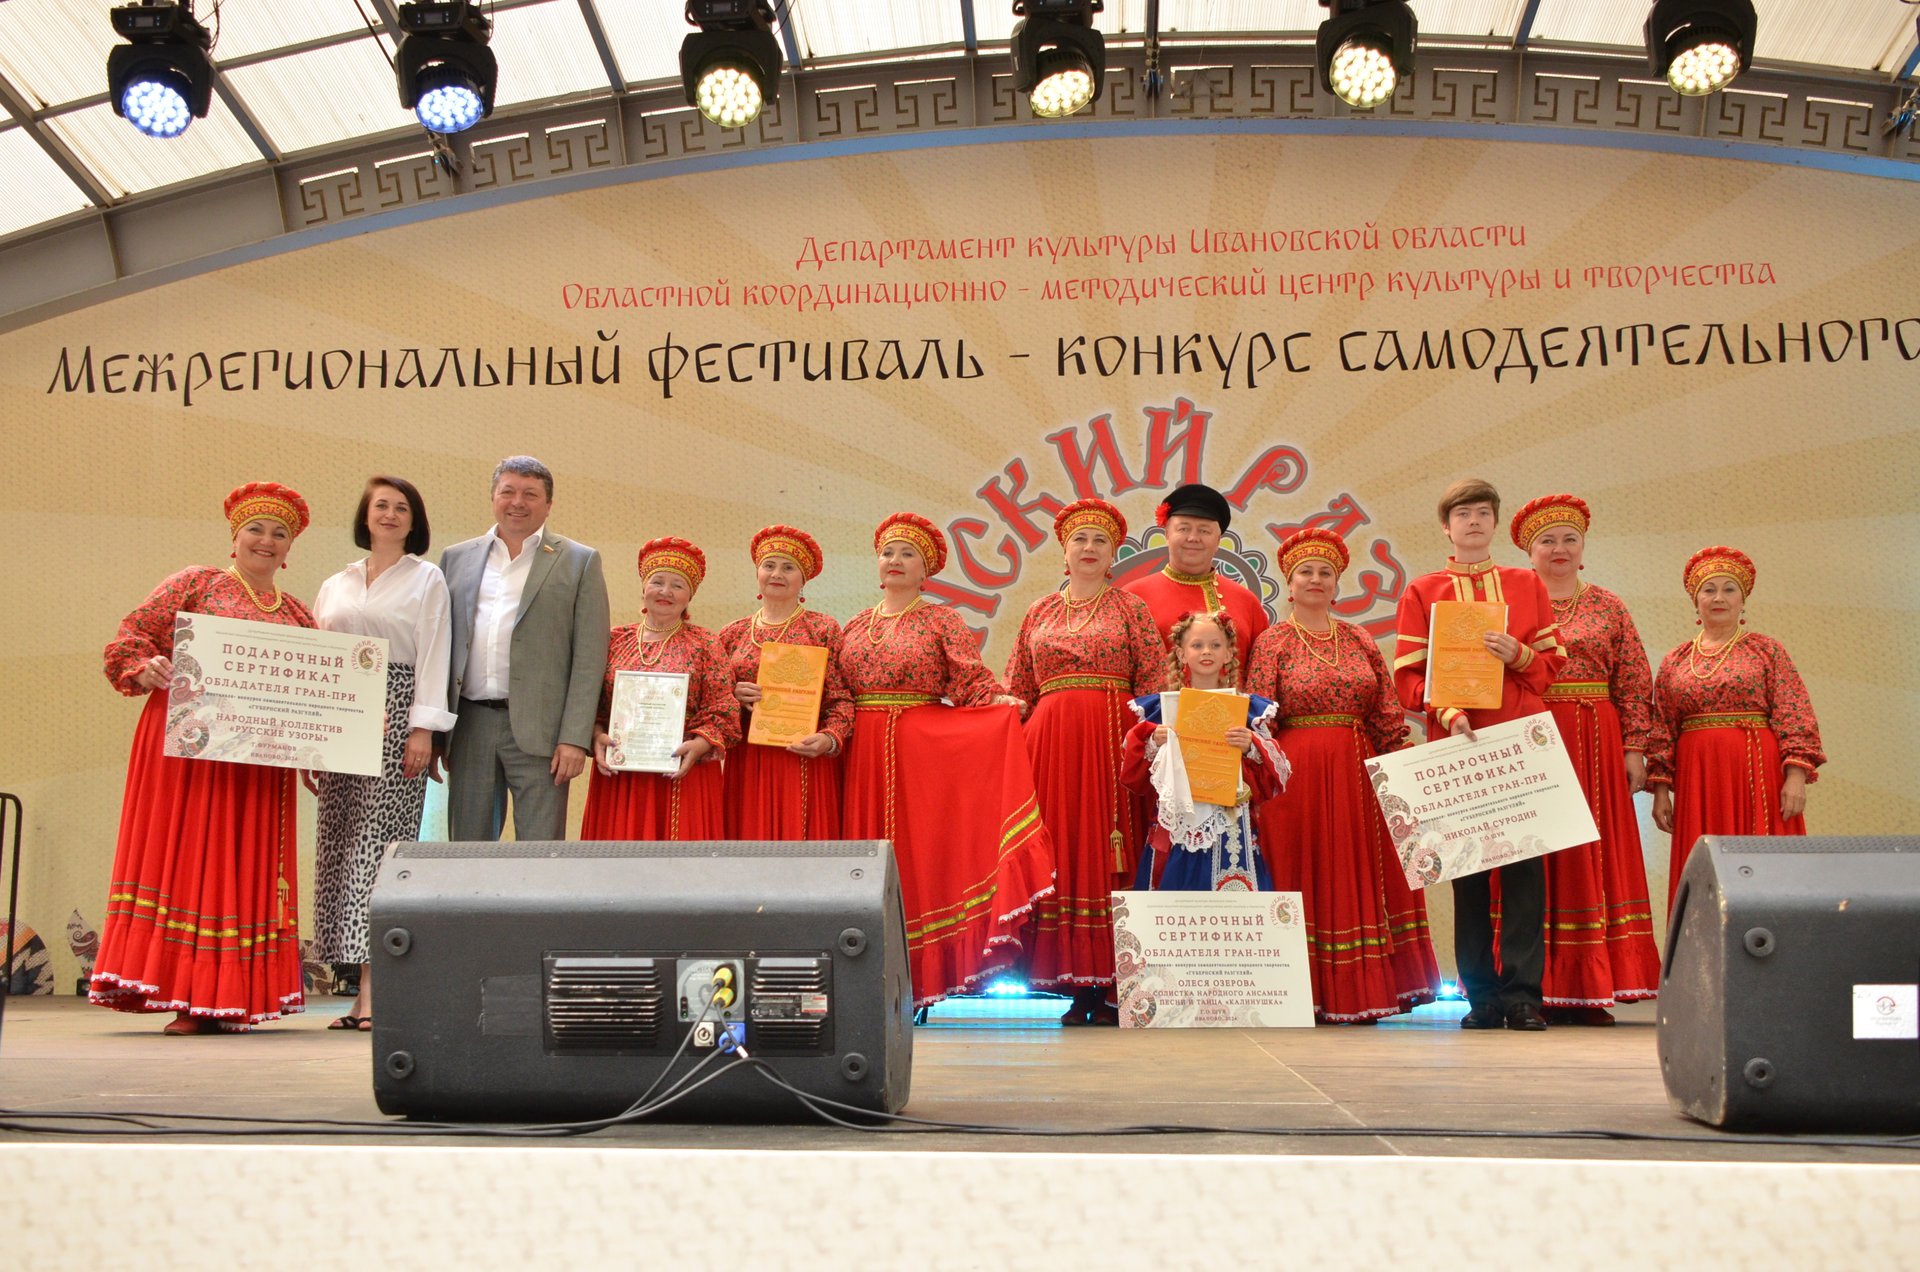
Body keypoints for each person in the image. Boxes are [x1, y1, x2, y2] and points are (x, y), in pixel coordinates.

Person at [92, 482, 315, 1034]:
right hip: (189, 753)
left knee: (243, 864)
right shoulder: (196, 583)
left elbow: (315, 698)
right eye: (255, 529)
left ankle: (232, 996)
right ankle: (185, 996)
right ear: (235, 538)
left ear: (289, 550)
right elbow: (130, 638)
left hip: (257, 765)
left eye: (279, 534)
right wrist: (146, 667)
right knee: (193, 856)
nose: (266, 541)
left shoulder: (298, 615)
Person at [837, 513, 1056, 1010]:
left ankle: (918, 981)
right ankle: (865, 976)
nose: (895, 561)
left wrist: (999, 704)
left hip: (920, 757)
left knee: (918, 860)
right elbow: (835, 693)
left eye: (907, 554)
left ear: (926, 570)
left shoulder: (942, 620)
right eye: (888, 552)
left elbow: (969, 681)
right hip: (860, 756)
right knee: (862, 860)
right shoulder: (854, 625)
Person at [1393, 478, 1566, 1032]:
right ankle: (1482, 997)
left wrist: (1519, 654)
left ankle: (1523, 996)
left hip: (1517, 743)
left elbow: (1550, 668)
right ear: (1447, 527)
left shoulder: (1526, 583)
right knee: (1467, 875)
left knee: (1525, 873)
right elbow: (1406, 678)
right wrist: (1446, 712)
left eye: (1483, 513)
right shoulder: (1423, 591)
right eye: (1463, 514)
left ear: (1494, 524)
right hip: (1457, 744)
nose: (1473, 522)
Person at [1247, 528, 1440, 1023]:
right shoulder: (1272, 642)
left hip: (1358, 775)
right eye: (1305, 572)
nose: (1315, 579)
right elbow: (1260, 718)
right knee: (1302, 870)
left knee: (1357, 871)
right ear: (1289, 585)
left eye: (1325, 573)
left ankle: (1361, 994)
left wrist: (1402, 768)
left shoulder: (1358, 638)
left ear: (1336, 586)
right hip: (1296, 779)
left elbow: (1385, 712)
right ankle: (1304, 994)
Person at [1004, 499, 1165, 1025]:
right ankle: (1074, 983)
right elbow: (1018, 689)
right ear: (1065, 551)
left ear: (1114, 554)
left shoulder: (1131, 609)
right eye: (1080, 539)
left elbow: (1153, 686)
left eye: (1100, 541)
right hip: (1049, 747)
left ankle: (1117, 985)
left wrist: (1150, 744)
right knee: (1061, 849)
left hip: (1112, 744)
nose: (1089, 548)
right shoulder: (1039, 612)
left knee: (1110, 849)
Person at [305, 476, 455, 1032]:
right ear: (365, 516)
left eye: (401, 508)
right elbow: (318, 657)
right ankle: (356, 992)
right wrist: (311, 738)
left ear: (414, 521)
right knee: (339, 850)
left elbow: (435, 654)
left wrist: (424, 730)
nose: (390, 514)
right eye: (381, 506)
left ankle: (377, 992)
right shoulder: (335, 583)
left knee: (379, 852)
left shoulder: (427, 578)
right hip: (340, 720)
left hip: (398, 716)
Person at [1512, 495, 1661, 1024]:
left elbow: (1635, 680)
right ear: (1529, 552)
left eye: (1569, 539)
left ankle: (1591, 987)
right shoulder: (1512, 603)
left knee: (1590, 853)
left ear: (1582, 548)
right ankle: (1528, 987)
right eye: (1547, 541)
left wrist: (1635, 747)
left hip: (1596, 741)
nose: (1559, 549)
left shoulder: (1608, 605)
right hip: (1530, 736)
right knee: (1531, 858)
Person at [440, 456, 609, 841]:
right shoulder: (456, 558)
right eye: (508, 492)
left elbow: (589, 659)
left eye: (530, 494)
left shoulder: (579, 561)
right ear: (493, 497)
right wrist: (435, 733)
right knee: (467, 850)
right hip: (469, 726)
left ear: (548, 504)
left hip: (544, 734)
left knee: (540, 852)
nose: (518, 502)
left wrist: (574, 737)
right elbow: (440, 647)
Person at [1648, 547, 1823, 902]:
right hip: (1698, 778)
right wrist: (1662, 791)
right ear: (1695, 601)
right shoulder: (1675, 660)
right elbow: (1662, 727)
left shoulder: (1766, 650)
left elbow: (1794, 712)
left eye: (1729, 589)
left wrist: (1795, 776)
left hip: (1757, 773)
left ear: (1742, 601)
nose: (1719, 598)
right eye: (1709, 590)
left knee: (1766, 866)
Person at [1121, 612, 1288, 891]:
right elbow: (1133, 773)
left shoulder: (1247, 709)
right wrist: (1155, 742)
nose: (1206, 651)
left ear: (1228, 654)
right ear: (1182, 654)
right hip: (1178, 820)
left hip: (1230, 820)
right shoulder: (1162, 709)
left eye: (1215, 645)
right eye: (1197, 645)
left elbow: (1277, 773)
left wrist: (1251, 745)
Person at [584, 538, 738, 839]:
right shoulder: (613, 639)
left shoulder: (705, 643)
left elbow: (723, 709)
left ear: (689, 596)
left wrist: (700, 745)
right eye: (658, 582)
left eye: (677, 585)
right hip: (621, 774)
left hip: (684, 773)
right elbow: (590, 702)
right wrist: (596, 734)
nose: (666, 591)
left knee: (680, 861)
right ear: (644, 588)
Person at [717, 526, 852, 839]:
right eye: (769, 565)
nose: (777, 574)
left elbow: (842, 698)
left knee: (802, 843)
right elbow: (713, 699)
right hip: (748, 759)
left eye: (788, 567)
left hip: (804, 755)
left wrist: (829, 738)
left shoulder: (823, 629)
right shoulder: (732, 633)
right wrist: (733, 695)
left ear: (803, 579)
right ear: (758, 573)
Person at [1123, 482, 1269, 664]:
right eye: (1183, 529)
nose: (1193, 538)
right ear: (1167, 534)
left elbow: (1262, 671)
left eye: (1204, 531)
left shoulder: (1247, 602)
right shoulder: (1133, 597)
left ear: (1218, 540)